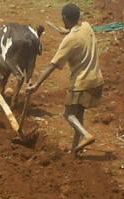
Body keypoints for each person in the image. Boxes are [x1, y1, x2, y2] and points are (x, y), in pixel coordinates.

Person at [27, 3, 104, 154]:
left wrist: (35, 85)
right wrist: (68, 31)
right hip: (97, 80)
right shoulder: (87, 26)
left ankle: (86, 135)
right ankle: (75, 150)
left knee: (68, 114)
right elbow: (76, 32)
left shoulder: (69, 41)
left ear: (64, 18)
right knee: (79, 114)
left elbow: (52, 65)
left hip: (81, 83)